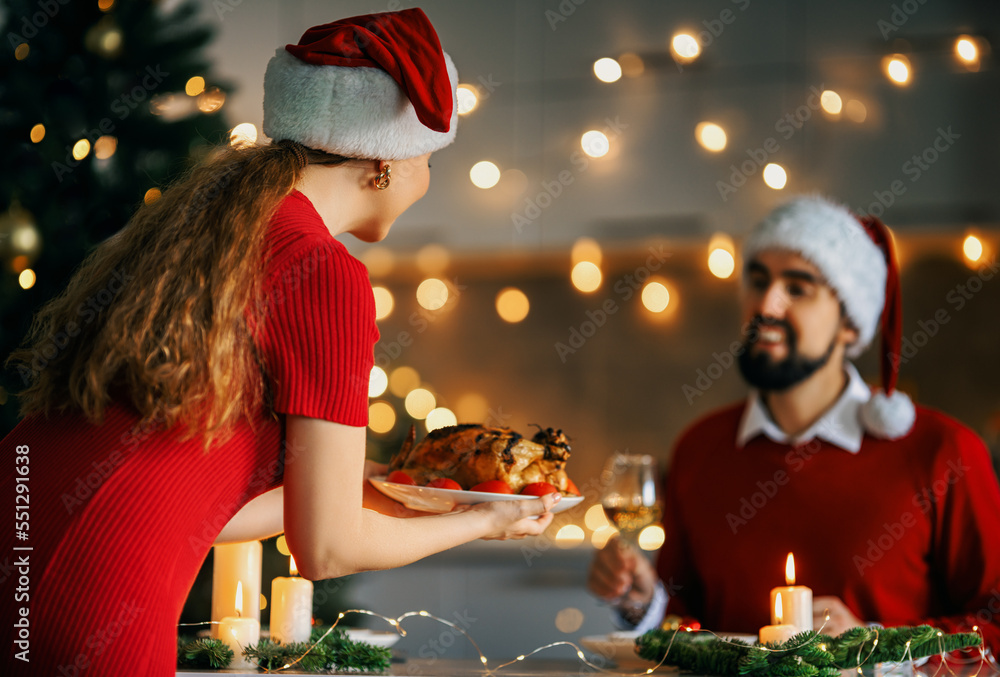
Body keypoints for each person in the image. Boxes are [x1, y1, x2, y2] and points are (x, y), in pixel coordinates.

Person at [0, 9, 560, 675]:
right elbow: (326, 547)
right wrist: (487, 523)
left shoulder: (217, 231)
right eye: (430, 158)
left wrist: (412, 488)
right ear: (386, 159)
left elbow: (199, 497)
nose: (427, 174)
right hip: (88, 591)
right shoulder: (325, 271)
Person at [588, 195, 1000, 654]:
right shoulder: (700, 449)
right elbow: (684, 630)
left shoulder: (943, 451)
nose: (767, 304)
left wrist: (878, 646)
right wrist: (641, 603)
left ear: (850, 323)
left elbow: (994, 625)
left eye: (798, 288)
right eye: (758, 281)